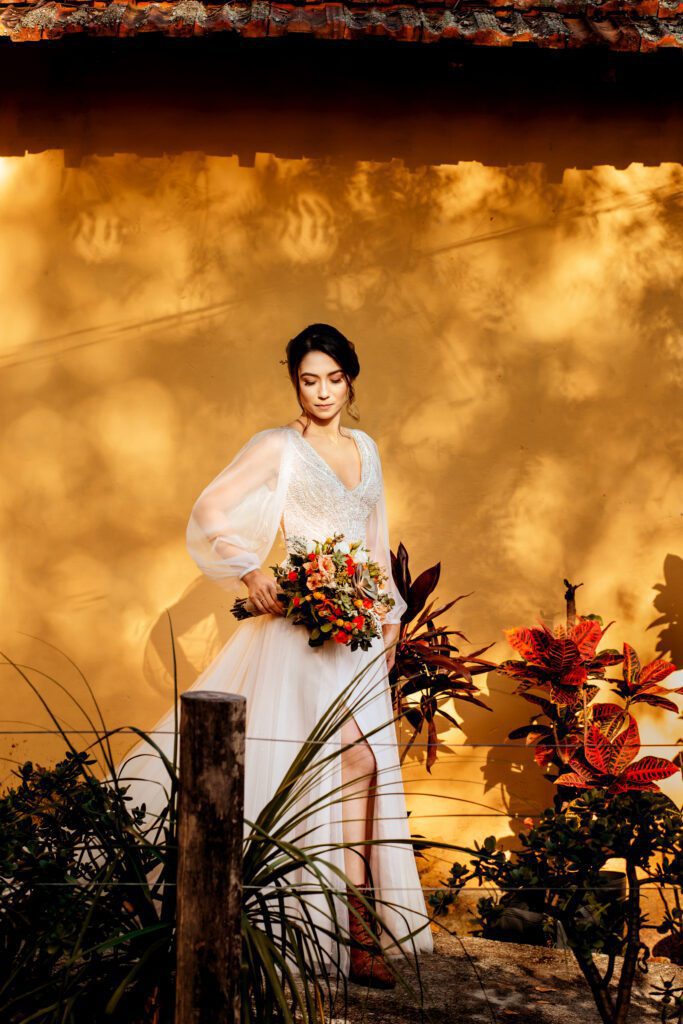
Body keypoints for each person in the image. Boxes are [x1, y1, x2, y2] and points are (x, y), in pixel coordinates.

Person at [119, 323, 433, 987]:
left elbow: (374, 546)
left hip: (357, 633)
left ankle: (352, 926)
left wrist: (391, 624)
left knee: (358, 766)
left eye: (333, 378)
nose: (321, 392)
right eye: (308, 379)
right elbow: (210, 510)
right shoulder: (278, 447)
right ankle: (343, 932)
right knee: (338, 758)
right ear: (295, 382)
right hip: (300, 630)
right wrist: (250, 573)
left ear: (352, 378)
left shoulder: (366, 449)